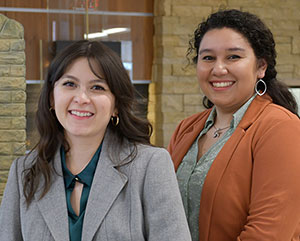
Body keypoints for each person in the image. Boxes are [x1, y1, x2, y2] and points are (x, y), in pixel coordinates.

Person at [0, 40, 191, 241]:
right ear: (51, 98)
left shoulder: (150, 165)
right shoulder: (25, 171)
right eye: (70, 84)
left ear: (116, 105)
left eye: (97, 87)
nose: (82, 98)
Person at [168, 9, 300, 241]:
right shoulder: (186, 129)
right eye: (208, 58)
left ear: (261, 67)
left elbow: (269, 233)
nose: (218, 69)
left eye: (233, 57)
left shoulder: (281, 128)